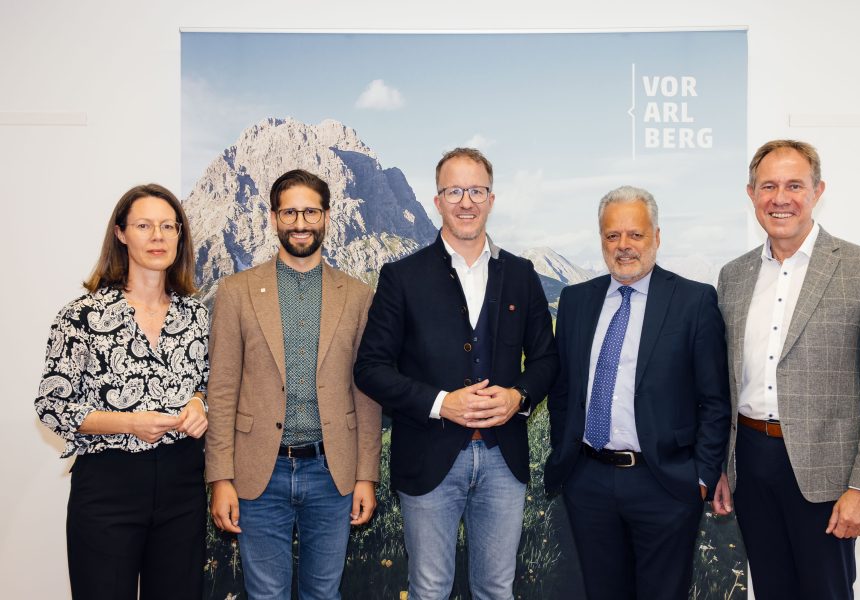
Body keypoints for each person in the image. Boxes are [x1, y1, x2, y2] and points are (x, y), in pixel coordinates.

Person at [354, 148, 558, 600]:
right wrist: (441, 403)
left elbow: (547, 361)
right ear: (437, 200)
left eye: (477, 190)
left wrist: (517, 397)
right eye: (454, 191)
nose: (466, 201)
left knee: (495, 589)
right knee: (429, 590)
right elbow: (370, 368)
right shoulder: (400, 277)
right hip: (428, 459)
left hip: (504, 462)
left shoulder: (522, 275)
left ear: (491, 198)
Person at [712, 140, 860, 599]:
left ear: (818, 191)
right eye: (769, 186)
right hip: (751, 465)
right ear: (751, 194)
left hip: (827, 475)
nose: (781, 198)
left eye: (795, 185)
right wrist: (722, 465)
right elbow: (723, 380)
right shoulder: (733, 276)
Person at [544, 185, 730, 600]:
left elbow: (715, 400)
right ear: (602, 240)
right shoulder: (576, 300)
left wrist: (700, 476)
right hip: (588, 480)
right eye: (612, 236)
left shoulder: (694, 301)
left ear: (657, 237)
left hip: (664, 483)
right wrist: (566, 457)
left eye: (635, 235)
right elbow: (562, 390)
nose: (623, 246)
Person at [206, 168, 381, 600]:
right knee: (266, 596)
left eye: (310, 212)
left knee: (324, 594)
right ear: (272, 217)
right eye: (290, 213)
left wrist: (366, 477)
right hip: (258, 474)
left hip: (332, 472)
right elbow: (222, 390)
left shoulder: (358, 295)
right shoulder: (235, 291)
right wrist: (221, 478)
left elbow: (367, 393)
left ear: (326, 216)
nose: (300, 223)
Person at [36, 184, 209, 600]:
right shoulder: (81, 315)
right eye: (145, 225)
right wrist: (128, 423)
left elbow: (205, 382)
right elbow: (51, 405)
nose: (158, 236)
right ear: (120, 233)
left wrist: (199, 403)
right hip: (109, 484)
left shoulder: (197, 315)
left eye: (169, 226)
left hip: (182, 483)